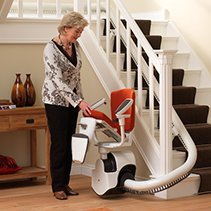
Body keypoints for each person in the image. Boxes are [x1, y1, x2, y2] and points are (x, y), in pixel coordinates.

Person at [42, 11, 91, 200]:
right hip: (55, 101)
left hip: (72, 102)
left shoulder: (75, 45)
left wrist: (81, 102)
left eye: (81, 31)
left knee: (70, 142)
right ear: (65, 28)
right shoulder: (50, 49)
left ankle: (66, 182)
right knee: (60, 144)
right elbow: (57, 81)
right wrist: (78, 101)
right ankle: (58, 187)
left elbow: (76, 77)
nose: (79, 35)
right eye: (77, 31)